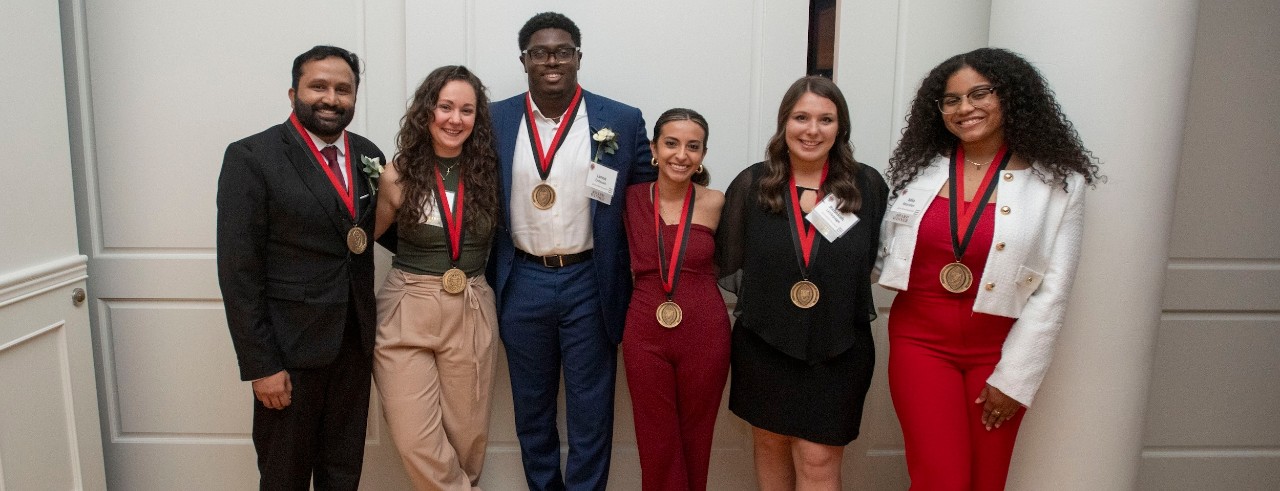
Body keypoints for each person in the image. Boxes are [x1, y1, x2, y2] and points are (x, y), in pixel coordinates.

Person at [877, 47, 1102, 490]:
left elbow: (1053, 291)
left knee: (986, 480)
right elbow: (884, 250)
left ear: (1011, 97)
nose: (965, 108)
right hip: (920, 342)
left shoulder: (1058, 182)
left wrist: (1015, 378)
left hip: (999, 351)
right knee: (941, 478)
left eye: (980, 94)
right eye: (952, 99)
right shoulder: (919, 171)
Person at [486, 11, 656, 491]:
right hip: (522, 280)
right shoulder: (494, 118)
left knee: (591, 411)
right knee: (531, 409)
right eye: (540, 53)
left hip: (591, 280)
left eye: (563, 51)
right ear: (524, 61)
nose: (552, 61)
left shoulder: (620, 119)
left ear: (578, 57)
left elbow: (645, 198)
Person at [216, 45, 384, 490]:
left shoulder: (368, 154)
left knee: (343, 471)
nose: (331, 98)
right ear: (293, 93)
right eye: (319, 87)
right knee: (284, 476)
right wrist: (260, 365)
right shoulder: (252, 157)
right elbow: (239, 272)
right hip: (288, 355)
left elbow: (385, 233)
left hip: (353, 343)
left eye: (343, 89)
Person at [716, 76, 888, 490]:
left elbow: (871, 260)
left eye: (825, 119)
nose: (812, 130)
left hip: (839, 347)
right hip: (765, 344)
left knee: (818, 459)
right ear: (784, 123)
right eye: (801, 117)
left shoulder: (867, 186)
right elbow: (730, 262)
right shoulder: (752, 184)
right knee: (770, 447)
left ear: (840, 127)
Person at [371, 65, 500, 491]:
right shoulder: (396, 175)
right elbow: (366, 238)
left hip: (472, 305)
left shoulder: (491, 174)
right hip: (408, 305)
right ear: (427, 111)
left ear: (477, 119)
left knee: (467, 438)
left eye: (466, 110)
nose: (454, 119)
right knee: (416, 439)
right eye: (445, 107)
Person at [622, 108, 730, 491]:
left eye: (692, 146)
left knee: (696, 438)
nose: (681, 155)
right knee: (655, 440)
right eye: (671, 143)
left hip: (705, 331)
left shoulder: (717, 201)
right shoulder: (631, 198)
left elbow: (737, 260)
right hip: (645, 330)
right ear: (653, 148)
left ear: (702, 155)